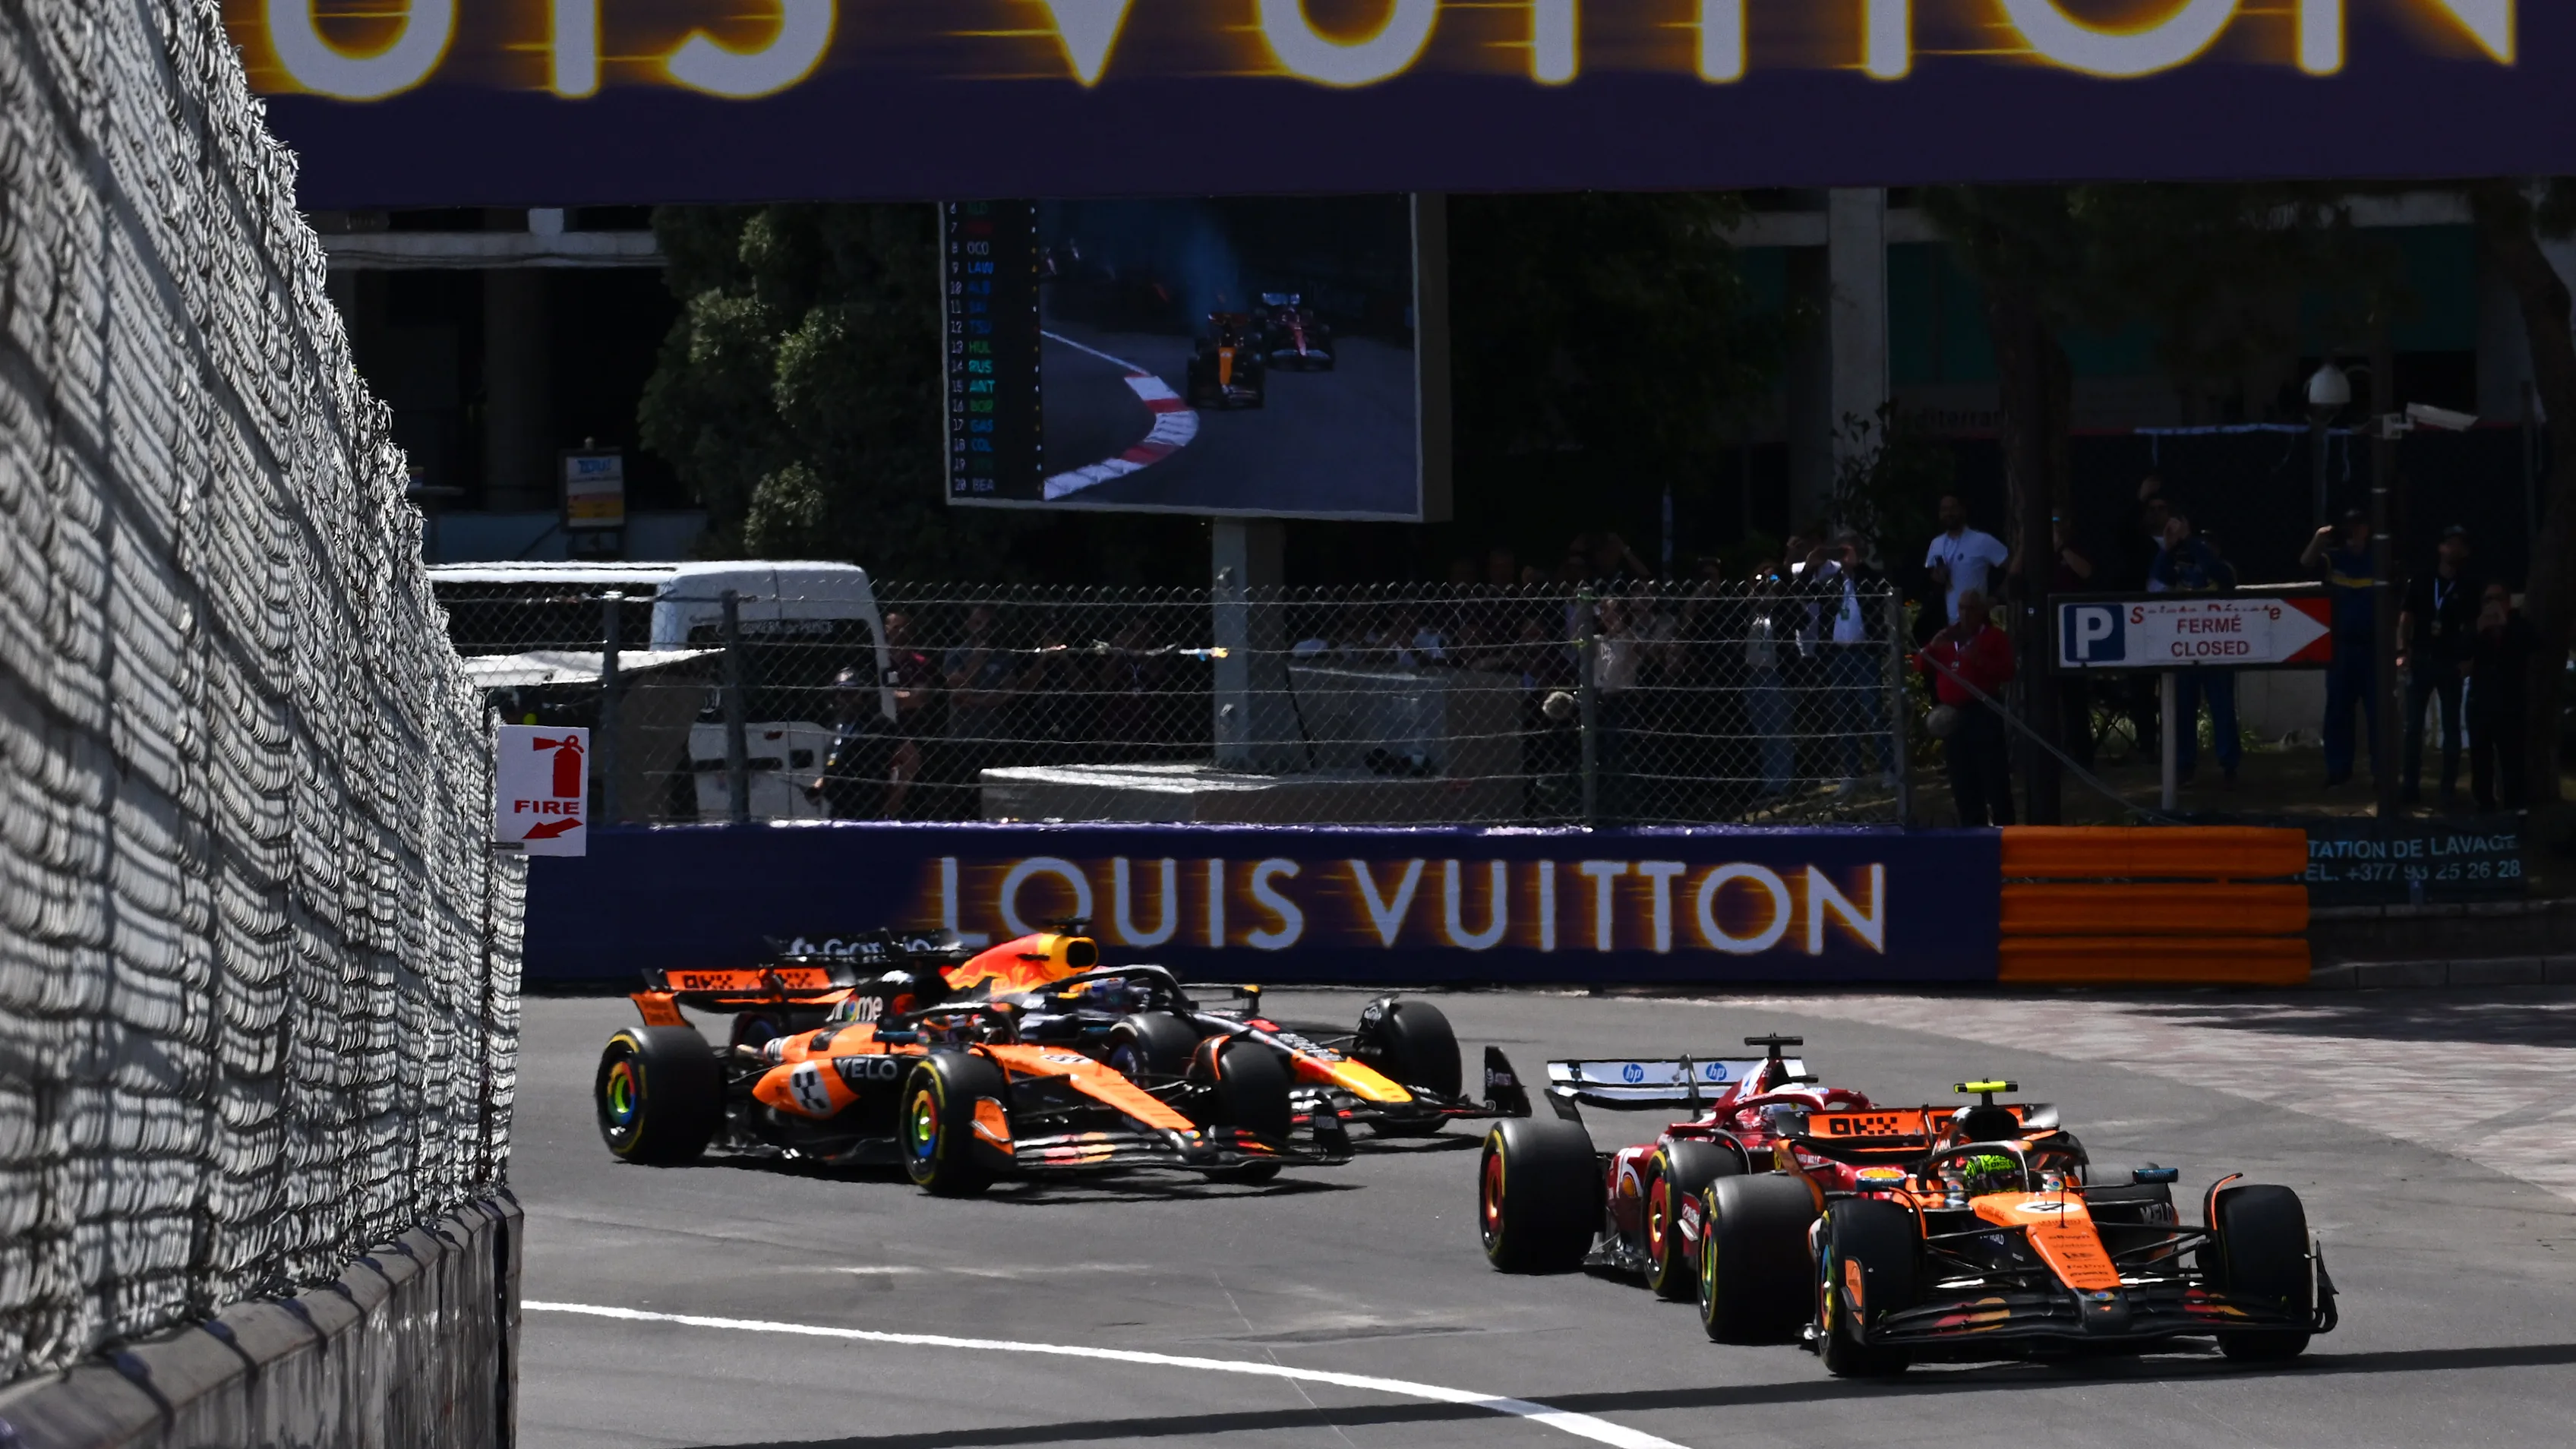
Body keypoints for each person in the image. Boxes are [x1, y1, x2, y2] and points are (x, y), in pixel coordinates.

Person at [2149, 511, 2240, 787]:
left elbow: (2220, 574)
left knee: (2222, 709)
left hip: (2218, 650)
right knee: (2184, 710)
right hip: (2185, 651)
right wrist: (2168, 547)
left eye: (2207, 545)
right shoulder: (2176, 568)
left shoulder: (2223, 569)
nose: (2201, 550)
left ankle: (2229, 767)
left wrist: (2191, 541)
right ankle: (2184, 766)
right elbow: (2154, 586)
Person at [1918, 589, 2016, 827]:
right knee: (1962, 778)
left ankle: (2005, 828)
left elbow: (2007, 671)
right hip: (1952, 716)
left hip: (1982, 712)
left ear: (1982, 612)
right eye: (1961, 608)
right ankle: (1972, 829)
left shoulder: (1994, 637)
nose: (1965, 614)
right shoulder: (1947, 638)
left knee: (1993, 776)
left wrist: (1979, 660)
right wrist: (1932, 647)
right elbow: (1920, 665)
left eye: (1971, 608)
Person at [2398, 525, 2480, 807]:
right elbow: (2406, 617)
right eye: (2449, 543)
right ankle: (2410, 786)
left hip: (2450, 664)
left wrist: (2469, 660)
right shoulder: (2422, 580)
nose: (2453, 549)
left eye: (2459, 544)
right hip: (2421, 659)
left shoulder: (2469, 585)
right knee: (2412, 728)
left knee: (2451, 729)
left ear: (2466, 551)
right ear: (2440, 548)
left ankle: (2447, 789)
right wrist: (2402, 650)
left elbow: (2473, 627)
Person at [1806, 531, 1894, 793]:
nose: (1842, 556)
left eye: (1847, 550)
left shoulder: (1872, 578)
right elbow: (1802, 594)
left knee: (1872, 712)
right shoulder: (1831, 582)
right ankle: (1852, 772)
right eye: (1839, 551)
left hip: (1864, 653)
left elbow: (1880, 600)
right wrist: (1812, 565)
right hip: (1838, 655)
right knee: (1844, 715)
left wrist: (1856, 569)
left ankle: (1890, 769)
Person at [2301, 510, 2379, 788]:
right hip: (2341, 647)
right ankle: (2338, 769)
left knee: (2378, 712)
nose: (2353, 531)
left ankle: (2381, 772)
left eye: (2358, 526)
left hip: (2373, 648)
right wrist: (2320, 538)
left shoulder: (2377, 559)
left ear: (2367, 529)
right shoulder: (2334, 559)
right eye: (2349, 526)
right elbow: (2306, 562)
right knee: (2338, 711)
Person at [2466, 580, 2537, 811]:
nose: (2492, 604)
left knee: (2512, 760)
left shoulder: (2519, 626)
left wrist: (2505, 626)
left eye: (2497, 598)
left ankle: (2516, 810)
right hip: (2481, 703)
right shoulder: (2478, 627)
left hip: (2509, 704)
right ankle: (2485, 806)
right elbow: (2461, 650)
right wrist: (2478, 630)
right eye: (2488, 599)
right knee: (2480, 760)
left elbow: (2529, 645)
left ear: (2507, 602)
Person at [809, 667, 895, 819]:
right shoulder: (842, 725)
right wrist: (818, 787)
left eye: (848, 694)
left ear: (864, 695)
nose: (840, 699)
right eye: (838, 694)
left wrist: (894, 802)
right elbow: (835, 762)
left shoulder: (879, 724)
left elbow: (910, 759)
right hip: (840, 808)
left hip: (868, 809)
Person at [1924, 494, 2010, 625]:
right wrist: (1937, 577)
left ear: (1962, 510)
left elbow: (2013, 567)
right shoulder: (1936, 544)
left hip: (1976, 623)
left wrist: (1996, 598)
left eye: (1953, 508)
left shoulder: (1981, 541)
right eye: (1944, 509)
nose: (1949, 513)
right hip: (1946, 625)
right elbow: (1932, 580)